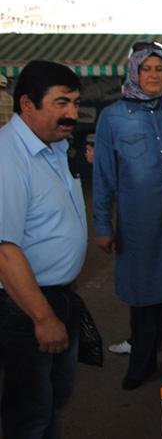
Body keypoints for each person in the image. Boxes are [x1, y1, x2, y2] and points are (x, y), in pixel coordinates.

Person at [92, 41, 162, 390]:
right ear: (134, 72)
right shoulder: (112, 118)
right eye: (146, 69)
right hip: (138, 223)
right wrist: (103, 225)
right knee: (143, 298)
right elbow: (104, 176)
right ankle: (141, 363)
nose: (153, 75)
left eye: (159, 70)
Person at [0, 61, 87, 438]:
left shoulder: (52, 146)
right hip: (25, 306)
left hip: (56, 297)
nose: (72, 113)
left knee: (53, 400)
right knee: (29, 412)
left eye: (75, 102)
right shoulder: (8, 157)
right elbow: (4, 250)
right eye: (61, 103)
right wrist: (42, 317)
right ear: (27, 105)